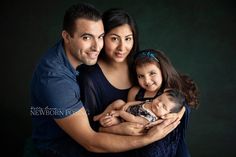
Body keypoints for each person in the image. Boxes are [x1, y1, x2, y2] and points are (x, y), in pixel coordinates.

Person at [30, 3, 180, 157]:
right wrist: (149, 137)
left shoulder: (137, 64)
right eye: (86, 37)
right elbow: (90, 140)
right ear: (67, 37)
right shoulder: (55, 79)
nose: (97, 46)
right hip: (60, 150)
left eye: (100, 37)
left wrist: (177, 113)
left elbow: (176, 94)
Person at [78, 8, 185, 157]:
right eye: (114, 38)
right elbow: (89, 129)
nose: (122, 47)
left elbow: (176, 96)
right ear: (102, 37)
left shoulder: (140, 65)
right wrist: (120, 129)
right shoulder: (89, 77)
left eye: (128, 38)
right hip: (113, 145)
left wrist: (176, 114)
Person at [88, 48, 199, 157]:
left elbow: (182, 110)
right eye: (141, 76)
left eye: (152, 73)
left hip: (170, 145)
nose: (147, 80)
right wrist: (117, 121)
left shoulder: (169, 94)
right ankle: (101, 123)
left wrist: (174, 115)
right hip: (140, 141)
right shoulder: (135, 92)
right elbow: (130, 116)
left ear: (162, 71)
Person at [94, 88, 185, 128]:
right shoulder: (151, 102)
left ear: (167, 114)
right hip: (125, 111)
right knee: (119, 102)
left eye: (164, 106)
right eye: (159, 99)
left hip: (125, 121)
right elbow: (139, 102)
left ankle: (103, 122)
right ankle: (101, 115)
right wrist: (128, 104)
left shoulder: (150, 119)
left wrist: (120, 113)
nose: (158, 104)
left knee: (111, 121)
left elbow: (134, 119)